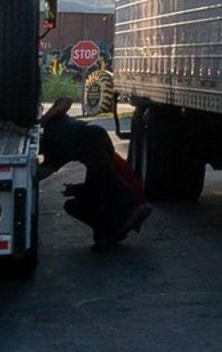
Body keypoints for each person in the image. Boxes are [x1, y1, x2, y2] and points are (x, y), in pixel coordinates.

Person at [38, 100, 151, 249]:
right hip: (94, 142)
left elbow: (65, 100)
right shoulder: (53, 155)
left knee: (102, 174)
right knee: (93, 187)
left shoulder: (51, 122)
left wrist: (45, 119)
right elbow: (41, 173)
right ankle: (108, 231)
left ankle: (133, 205)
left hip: (91, 136)